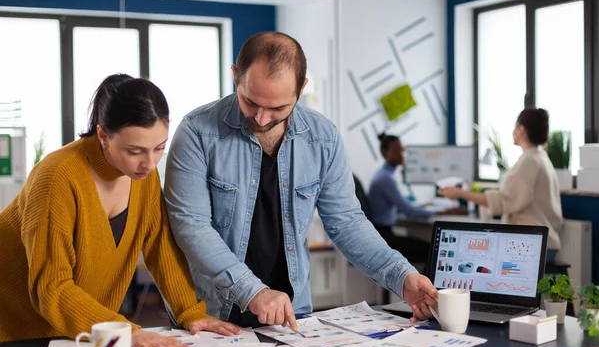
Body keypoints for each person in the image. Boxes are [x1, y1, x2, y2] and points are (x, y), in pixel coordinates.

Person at [164, 31, 438, 330]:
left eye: (278, 108)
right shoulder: (197, 132)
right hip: (211, 312)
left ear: (302, 87)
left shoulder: (323, 138)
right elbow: (191, 225)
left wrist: (402, 275)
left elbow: (347, 222)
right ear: (234, 75)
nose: (262, 118)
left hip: (292, 313)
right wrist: (252, 290)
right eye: (250, 102)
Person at [0, 74, 241, 347]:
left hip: (78, 335)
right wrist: (125, 332)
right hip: (13, 331)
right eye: (134, 151)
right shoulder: (57, 176)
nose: (149, 163)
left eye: (159, 148)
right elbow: (51, 287)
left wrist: (191, 312)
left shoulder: (143, 177)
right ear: (103, 135)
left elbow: (160, 247)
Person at [439, 107, 563, 262]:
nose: (513, 131)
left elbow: (504, 201)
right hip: (537, 241)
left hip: (531, 244)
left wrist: (460, 193)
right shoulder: (540, 157)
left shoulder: (529, 161)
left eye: (514, 127)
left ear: (521, 130)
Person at [369, 133, 462, 264]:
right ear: (384, 154)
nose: (402, 154)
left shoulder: (384, 175)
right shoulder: (386, 179)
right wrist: (442, 212)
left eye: (402, 149)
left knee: (430, 249)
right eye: (396, 150)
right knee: (433, 251)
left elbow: (404, 206)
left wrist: (424, 207)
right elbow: (409, 211)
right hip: (385, 238)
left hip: (383, 234)